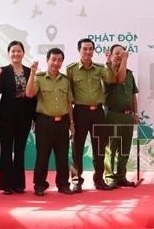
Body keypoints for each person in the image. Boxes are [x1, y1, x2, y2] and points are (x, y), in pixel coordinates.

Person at [26, 47, 74, 196]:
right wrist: (32, 72)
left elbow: (69, 103)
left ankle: (63, 184)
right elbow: (29, 93)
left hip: (62, 123)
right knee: (42, 156)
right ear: (47, 60)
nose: (56, 63)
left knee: (62, 156)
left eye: (59, 60)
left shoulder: (66, 80)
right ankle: (39, 185)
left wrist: (72, 124)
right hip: (44, 122)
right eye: (53, 59)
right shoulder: (39, 77)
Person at [67, 38, 114, 192]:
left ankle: (99, 179)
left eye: (90, 49)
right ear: (79, 50)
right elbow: (68, 95)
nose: (88, 52)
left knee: (99, 148)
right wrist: (71, 120)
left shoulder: (100, 68)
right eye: (84, 49)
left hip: (98, 113)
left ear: (93, 50)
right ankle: (76, 180)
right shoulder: (71, 69)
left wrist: (108, 63)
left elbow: (111, 79)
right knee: (77, 148)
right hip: (80, 111)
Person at [0, 41, 36, 195]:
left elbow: (33, 97)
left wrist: (34, 118)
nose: (16, 54)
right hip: (6, 117)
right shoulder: (3, 71)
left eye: (19, 51)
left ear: (23, 53)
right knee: (6, 150)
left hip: (24, 116)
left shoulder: (29, 71)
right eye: (13, 51)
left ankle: (19, 184)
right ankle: (6, 184)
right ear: (8, 53)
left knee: (20, 150)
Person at [104, 44, 137, 187]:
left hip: (127, 117)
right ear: (110, 56)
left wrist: (135, 113)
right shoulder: (107, 73)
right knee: (110, 149)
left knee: (125, 148)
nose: (120, 55)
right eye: (116, 53)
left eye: (122, 53)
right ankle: (109, 177)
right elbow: (119, 79)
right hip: (112, 115)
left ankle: (121, 175)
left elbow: (133, 95)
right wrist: (124, 60)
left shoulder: (130, 73)